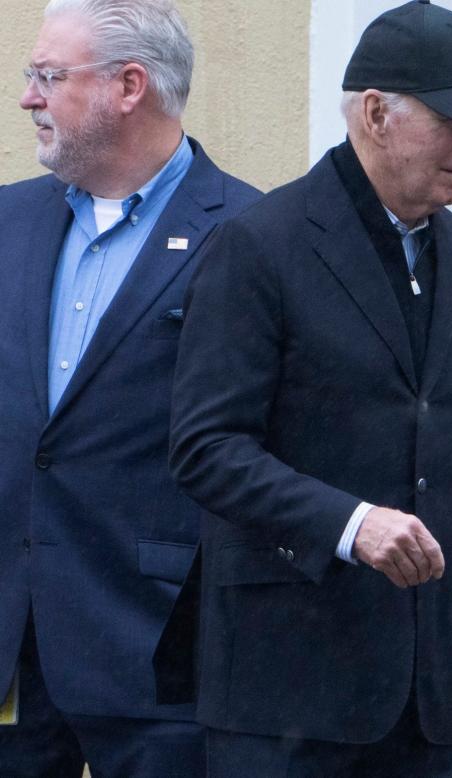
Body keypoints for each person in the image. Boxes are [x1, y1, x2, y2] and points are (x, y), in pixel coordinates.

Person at [158, 3, 452, 775]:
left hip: (428, 704)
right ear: (376, 113)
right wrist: (351, 524)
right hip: (285, 697)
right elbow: (205, 449)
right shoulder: (259, 245)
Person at [0, 1, 260, 776]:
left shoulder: (248, 236)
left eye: (49, 76)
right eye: (30, 76)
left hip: (159, 653)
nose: (28, 98)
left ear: (129, 86)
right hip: (14, 643)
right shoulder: (8, 221)